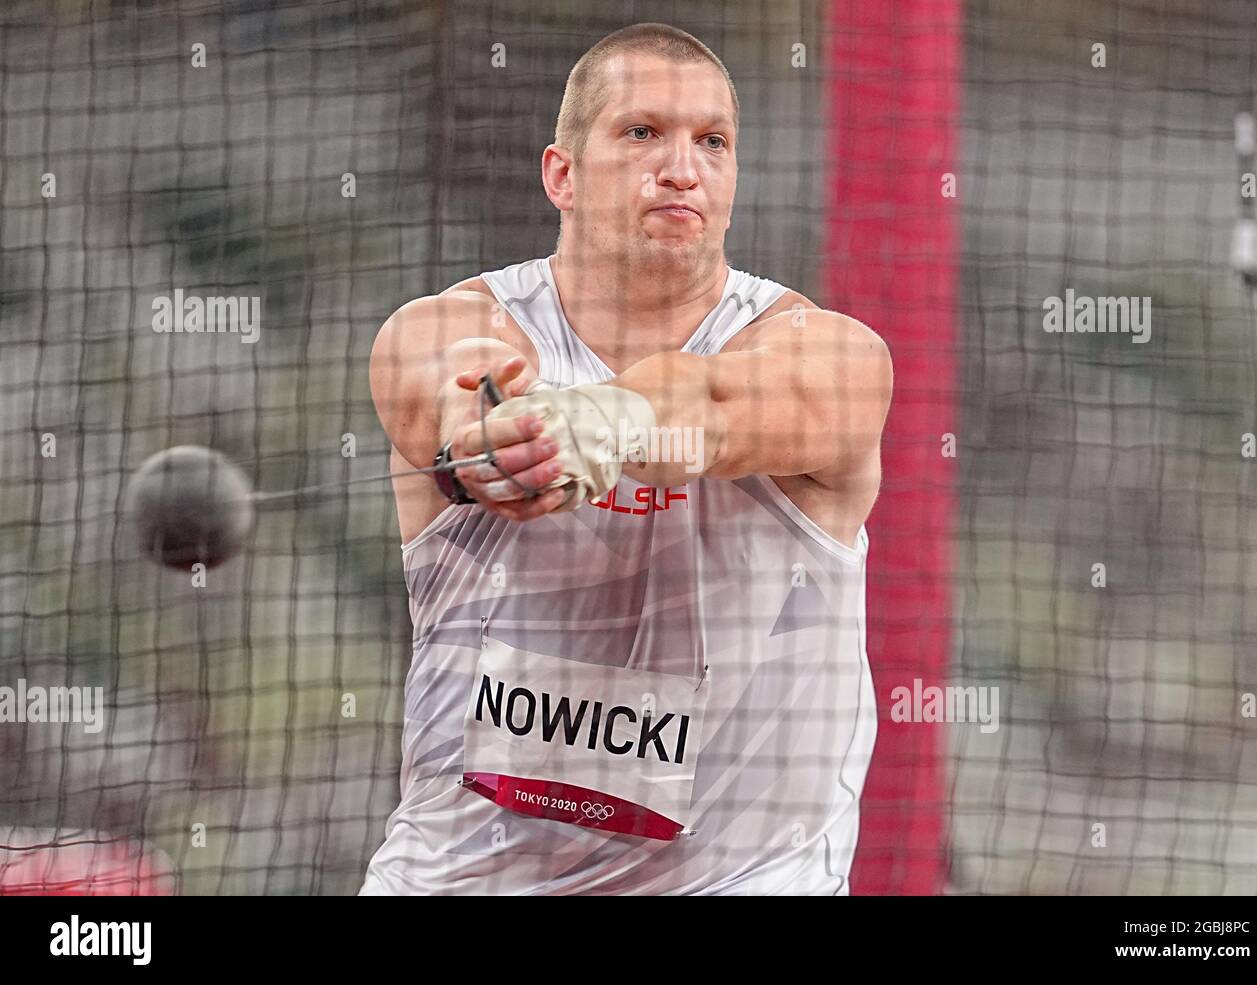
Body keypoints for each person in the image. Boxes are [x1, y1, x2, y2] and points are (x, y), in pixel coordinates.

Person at [362, 22, 892, 895]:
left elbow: (719, 407)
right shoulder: (441, 326)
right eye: (643, 132)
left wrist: (608, 421)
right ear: (561, 174)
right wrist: (500, 434)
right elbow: (450, 388)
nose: (682, 167)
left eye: (711, 142)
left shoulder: (830, 353)